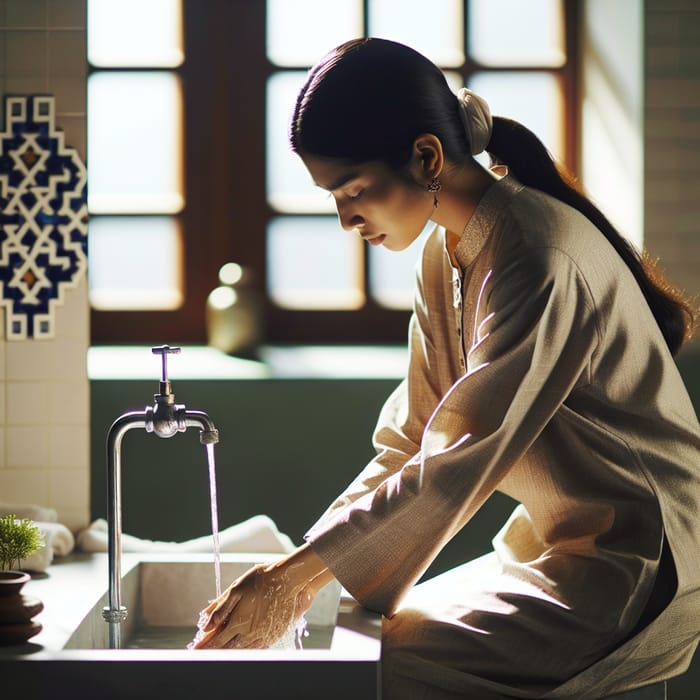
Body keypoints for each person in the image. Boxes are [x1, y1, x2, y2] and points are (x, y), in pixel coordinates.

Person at [192, 38, 700, 699]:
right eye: (332, 198)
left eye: (354, 190)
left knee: (379, 667)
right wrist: (297, 572)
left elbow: (460, 455)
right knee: (362, 636)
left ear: (427, 157)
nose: (346, 218)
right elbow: (412, 439)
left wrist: (295, 578)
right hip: (557, 549)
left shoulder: (536, 256)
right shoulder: (445, 256)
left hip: (639, 561)